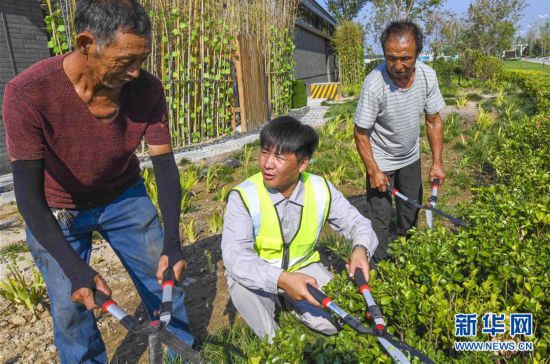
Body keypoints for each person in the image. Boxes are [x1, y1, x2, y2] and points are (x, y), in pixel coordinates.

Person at [2, 0, 194, 362]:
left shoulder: (147, 90)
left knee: (163, 280)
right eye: (125, 61)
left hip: (125, 197)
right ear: (86, 43)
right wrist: (75, 270)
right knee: (71, 305)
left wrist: (172, 242)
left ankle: (181, 354)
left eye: (142, 59)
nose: (136, 72)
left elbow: (165, 166)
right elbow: (27, 196)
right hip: (58, 209)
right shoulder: (28, 93)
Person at [221, 116, 378, 342]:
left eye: (279, 157)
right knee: (242, 287)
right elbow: (235, 257)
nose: (267, 164)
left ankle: (288, 299)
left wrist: (361, 248)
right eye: (265, 152)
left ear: (302, 163)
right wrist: (281, 279)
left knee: (334, 323)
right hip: (259, 273)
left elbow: (358, 223)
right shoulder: (244, 196)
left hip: (304, 268)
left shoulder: (320, 188)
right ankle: (275, 343)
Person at [354, 21, 446, 263]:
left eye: (405, 58)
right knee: (380, 222)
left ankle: (408, 260)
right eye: (391, 58)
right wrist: (373, 170)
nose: (398, 66)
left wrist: (437, 162)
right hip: (381, 159)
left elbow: (433, 121)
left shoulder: (427, 76)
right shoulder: (375, 83)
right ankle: (378, 267)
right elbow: (361, 132)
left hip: (410, 157)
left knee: (410, 213)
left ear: (417, 52)